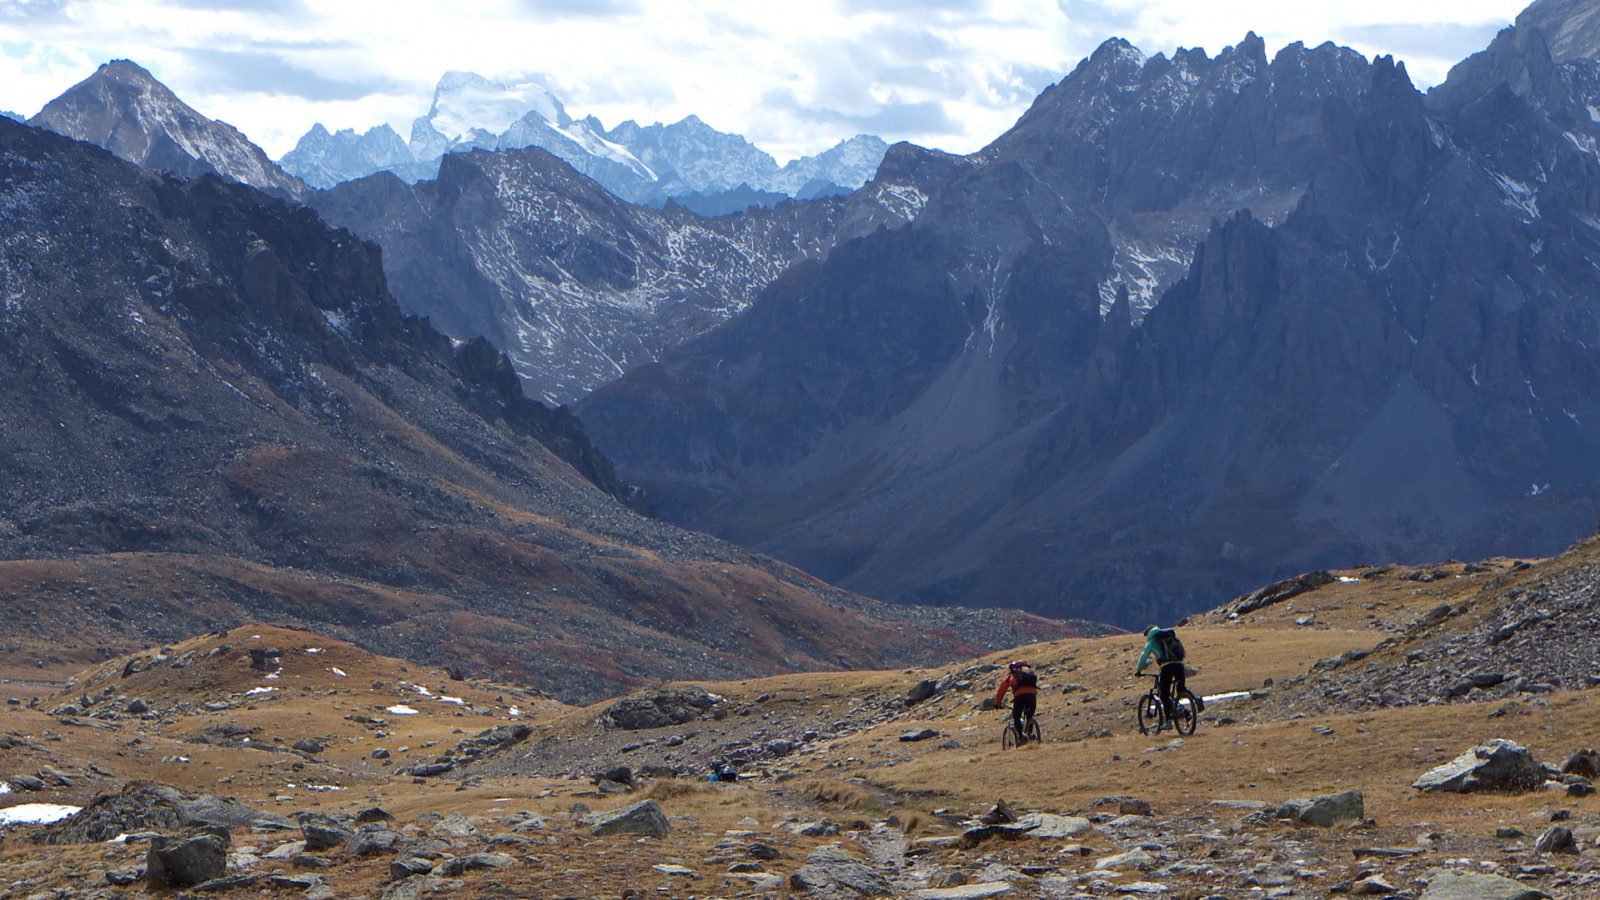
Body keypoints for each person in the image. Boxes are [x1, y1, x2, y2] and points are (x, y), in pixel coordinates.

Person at [1135, 625, 1188, 725]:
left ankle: (1168, 721)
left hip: (1167, 667)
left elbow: (1143, 658)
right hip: (1179, 665)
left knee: (1164, 695)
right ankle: (1190, 706)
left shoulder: (1151, 642)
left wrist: (1138, 671)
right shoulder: (1169, 637)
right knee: (1181, 689)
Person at [993, 660, 1039, 742]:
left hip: (1020, 696)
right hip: (1032, 695)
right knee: (1029, 716)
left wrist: (997, 703)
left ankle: (1021, 738)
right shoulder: (1030, 673)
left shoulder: (1012, 674)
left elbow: (1002, 690)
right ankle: (1030, 735)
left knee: (1017, 717)